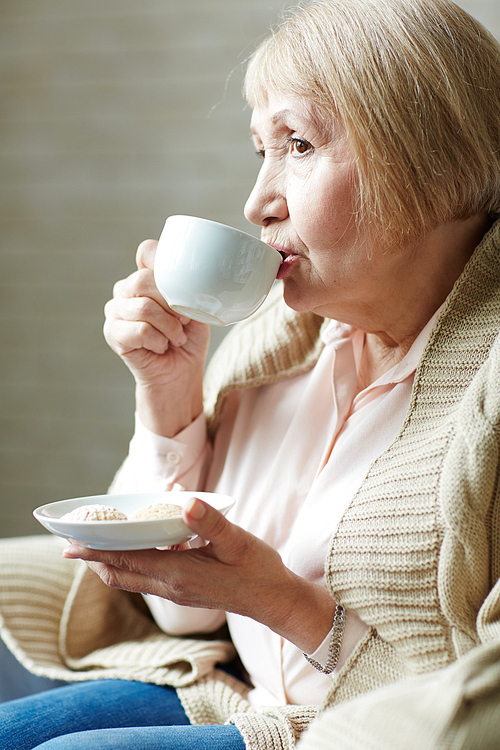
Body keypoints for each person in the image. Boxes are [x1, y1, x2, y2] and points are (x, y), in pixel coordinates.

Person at [0, 0, 500, 747]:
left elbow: (466, 710)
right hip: (236, 697)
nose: (256, 203)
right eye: (258, 151)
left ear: (428, 155)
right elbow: (183, 614)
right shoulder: (279, 338)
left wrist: (280, 602)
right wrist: (168, 400)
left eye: (297, 144)